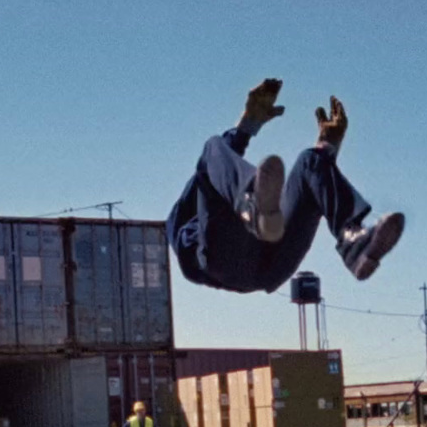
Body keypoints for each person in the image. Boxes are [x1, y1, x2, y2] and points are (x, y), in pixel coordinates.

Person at [167, 77, 405, 294]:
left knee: (310, 160)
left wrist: (328, 147)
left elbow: (217, 169)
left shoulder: (211, 196)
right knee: (212, 147)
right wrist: (246, 126)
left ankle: (353, 243)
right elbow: (211, 167)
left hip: (273, 263)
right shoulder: (181, 219)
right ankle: (251, 208)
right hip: (228, 261)